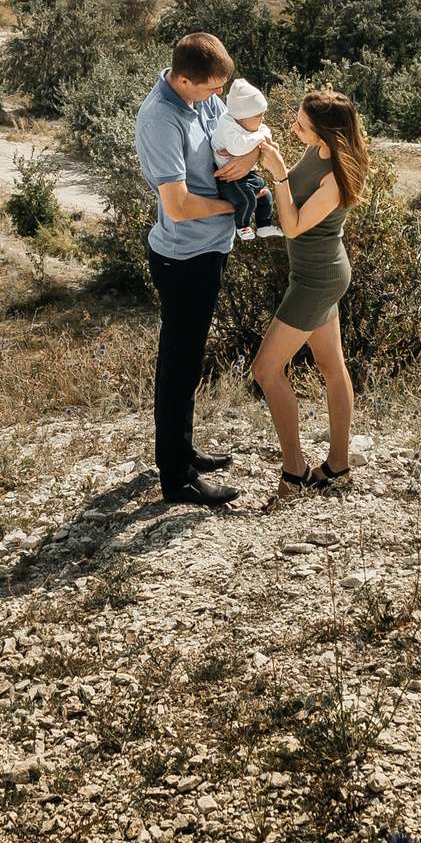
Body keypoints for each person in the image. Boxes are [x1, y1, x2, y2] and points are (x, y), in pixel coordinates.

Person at [132, 33, 258, 507]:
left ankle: (181, 452)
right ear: (184, 80)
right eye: (209, 90)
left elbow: (232, 136)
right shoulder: (160, 120)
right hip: (183, 257)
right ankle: (176, 477)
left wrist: (248, 157)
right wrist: (236, 211)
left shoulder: (198, 97)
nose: (216, 98)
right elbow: (180, 206)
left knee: (186, 359)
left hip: (208, 250)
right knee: (180, 364)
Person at [249, 91, 365, 502]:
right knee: (331, 364)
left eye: (300, 123)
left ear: (324, 130)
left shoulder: (336, 173)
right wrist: (268, 193)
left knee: (265, 370)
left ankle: (295, 473)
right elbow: (291, 202)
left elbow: (295, 226)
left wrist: (278, 174)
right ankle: (337, 467)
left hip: (317, 281)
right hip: (315, 274)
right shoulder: (317, 149)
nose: (293, 127)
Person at [211, 78, 281, 241]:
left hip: (248, 173)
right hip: (230, 178)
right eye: (258, 116)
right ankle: (242, 226)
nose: (262, 120)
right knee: (247, 198)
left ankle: (263, 225)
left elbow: (266, 132)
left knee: (266, 195)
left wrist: (258, 138)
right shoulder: (228, 126)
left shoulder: (249, 124)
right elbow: (237, 148)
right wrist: (259, 138)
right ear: (241, 117)